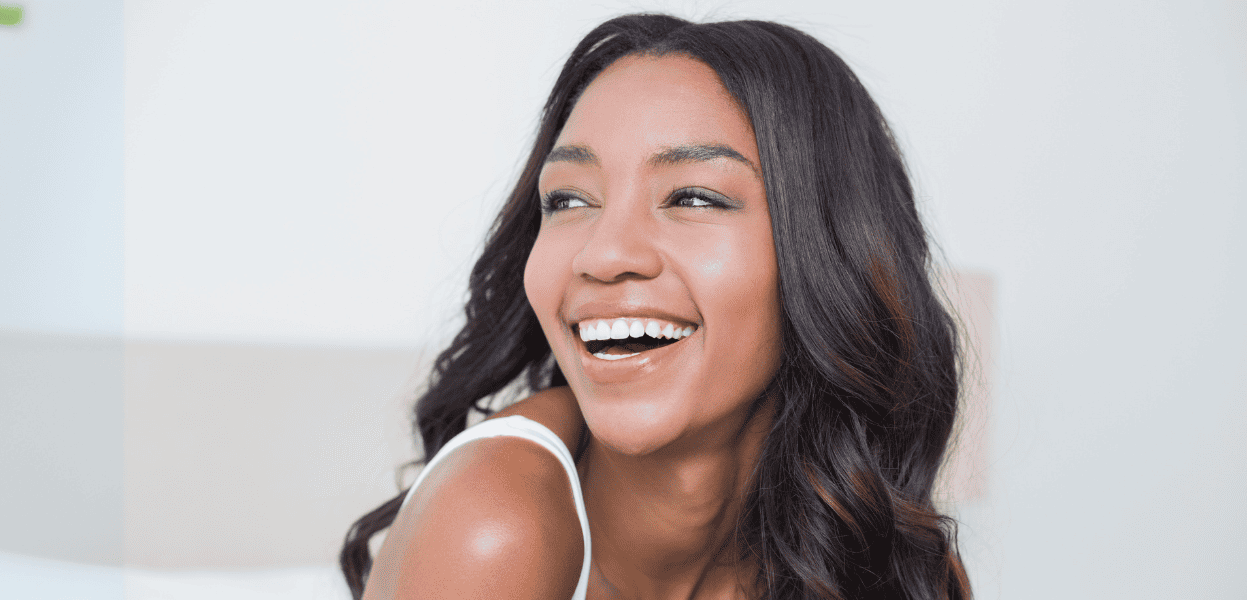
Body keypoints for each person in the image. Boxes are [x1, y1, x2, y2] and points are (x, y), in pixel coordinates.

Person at [339, 13, 971, 600]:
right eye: (568, 200)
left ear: (828, 251)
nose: (604, 254)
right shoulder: (493, 528)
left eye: (692, 197)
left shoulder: (885, 556)